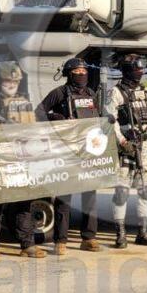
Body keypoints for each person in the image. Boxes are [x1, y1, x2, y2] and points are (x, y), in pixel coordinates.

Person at [0, 61, 44, 261]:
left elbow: (34, 128)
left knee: (24, 205)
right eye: (7, 81)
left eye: (14, 81)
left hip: (21, 161)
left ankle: (27, 245)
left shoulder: (24, 103)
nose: (11, 85)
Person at [36, 57, 101, 253]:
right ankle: (61, 241)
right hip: (66, 152)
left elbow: (99, 117)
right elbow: (38, 112)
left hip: (88, 152)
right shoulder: (59, 93)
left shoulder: (91, 94)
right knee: (64, 198)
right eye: (77, 72)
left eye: (84, 71)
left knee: (90, 197)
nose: (81, 74)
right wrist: (55, 118)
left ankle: (88, 238)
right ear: (68, 74)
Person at [106, 53, 147, 248]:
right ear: (127, 70)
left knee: (145, 190)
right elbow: (110, 121)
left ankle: (142, 232)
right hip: (125, 147)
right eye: (137, 68)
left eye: (142, 68)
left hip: (145, 146)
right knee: (122, 191)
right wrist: (121, 141)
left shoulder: (146, 91)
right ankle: (120, 234)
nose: (140, 71)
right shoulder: (115, 92)